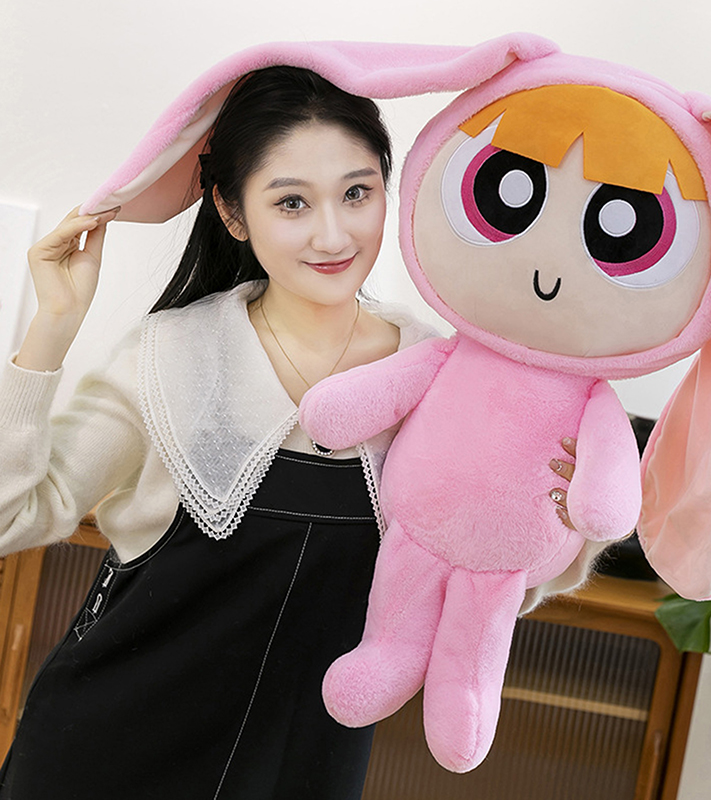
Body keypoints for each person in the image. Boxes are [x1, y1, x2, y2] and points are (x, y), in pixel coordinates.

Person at [0, 65, 574, 799]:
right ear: (233, 212)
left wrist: (559, 521)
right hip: (103, 756)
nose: (333, 234)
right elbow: (14, 516)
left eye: (357, 193)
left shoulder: (447, 385)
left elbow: (483, 584)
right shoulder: (170, 357)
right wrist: (51, 326)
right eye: (292, 202)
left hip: (301, 768)